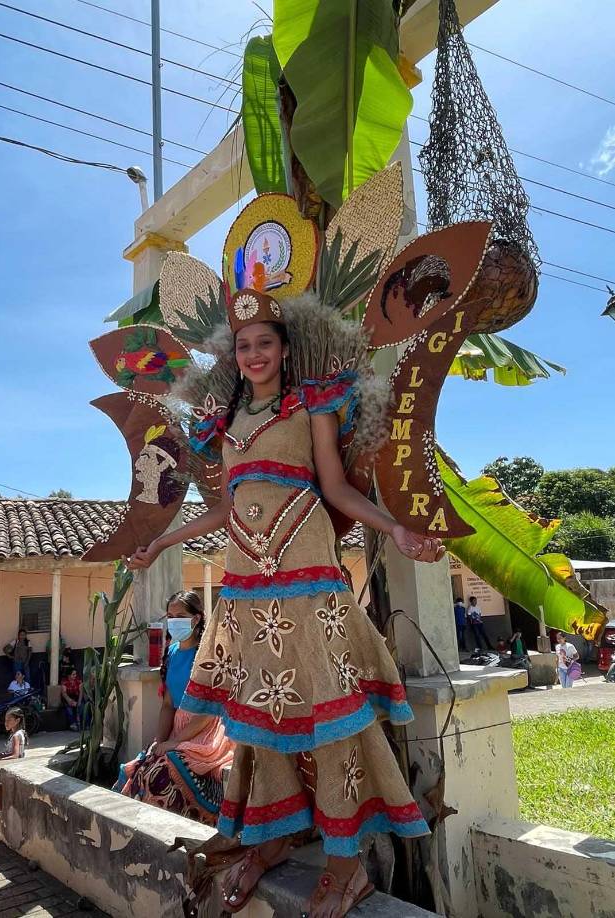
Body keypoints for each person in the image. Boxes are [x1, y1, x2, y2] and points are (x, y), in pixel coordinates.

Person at [127, 294, 444, 916]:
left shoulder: (312, 405)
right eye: (243, 346)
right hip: (246, 586)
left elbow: (335, 488)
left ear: (285, 349)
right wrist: (163, 538)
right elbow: (225, 506)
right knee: (259, 720)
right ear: (235, 356)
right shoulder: (227, 425)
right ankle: (272, 840)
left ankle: (346, 867)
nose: (254, 355)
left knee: (331, 714)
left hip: (307, 575)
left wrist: (397, 530)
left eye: (264, 344)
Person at [114, 592, 234, 825]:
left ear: (197, 618)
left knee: (163, 774)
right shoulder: (171, 652)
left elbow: (210, 710)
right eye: (170, 615)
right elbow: (168, 705)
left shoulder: (209, 655)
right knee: (140, 768)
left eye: (180, 615)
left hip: (206, 730)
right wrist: (159, 741)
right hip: (179, 727)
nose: (173, 621)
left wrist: (175, 743)